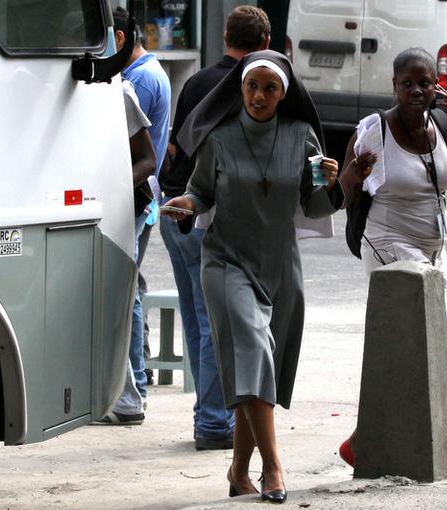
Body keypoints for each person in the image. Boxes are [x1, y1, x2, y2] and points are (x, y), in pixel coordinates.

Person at [163, 50, 343, 504]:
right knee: (254, 350)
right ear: (239, 88)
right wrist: (187, 206)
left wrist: (337, 182)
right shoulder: (220, 138)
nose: (259, 96)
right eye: (251, 87)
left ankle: (239, 470)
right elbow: (200, 191)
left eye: (270, 88)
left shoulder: (302, 137)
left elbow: (316, 205)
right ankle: (274, 466)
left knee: (257, 368)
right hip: (226, 260)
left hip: (281, 266)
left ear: (284, 94)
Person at [336, 47, 447, 466]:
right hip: (387, 242)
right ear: (394, 86)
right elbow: (342, 195)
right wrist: (354, 174)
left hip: (434, 248)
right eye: (408, 84)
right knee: (444, 339)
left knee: (422, 344)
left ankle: (380, 436)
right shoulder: (374, 130)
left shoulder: (441, 123)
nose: (418, 91)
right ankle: (427, 436)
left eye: (425, 83)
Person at [159, 5, 271, 451]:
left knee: (196, 320)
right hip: (206, 213)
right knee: (216, 325)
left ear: (225, 37)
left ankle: (209, 413)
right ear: (264, 44)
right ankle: (212, 422)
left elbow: (174, 146)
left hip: (172, 208)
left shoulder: (197, 81)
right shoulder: (247, 90)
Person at [113, 7, 172, 400]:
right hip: (142, 196)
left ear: (118, 40)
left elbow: (139, 153)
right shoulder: (145, 74)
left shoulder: (139, 80)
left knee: (127, 290)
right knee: (131, 286)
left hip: (137, 197)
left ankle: (133, 386)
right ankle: (137, 377)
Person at [94, 79, 158, 424]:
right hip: (95, 209)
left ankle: (130, 398)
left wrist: (111, 190)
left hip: (127, 209)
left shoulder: (119, 92)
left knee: (122, 297)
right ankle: (123, 395)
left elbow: (148, 160)